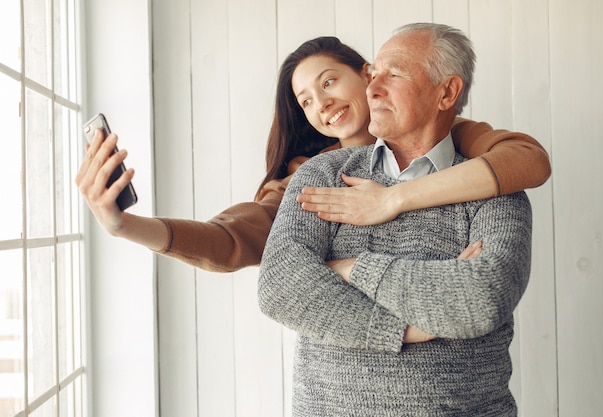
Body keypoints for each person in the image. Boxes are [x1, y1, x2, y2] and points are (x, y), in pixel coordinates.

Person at [76, 35, 548, 273]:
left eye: (328, 82)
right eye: (305, 100)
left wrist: (394, 199)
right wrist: (124, 225)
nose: (321, 103)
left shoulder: (454, 135)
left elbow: (528, 158)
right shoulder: (312, 179)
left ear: (368, 74)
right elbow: (233, 239)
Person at [258, 23, 532, 416]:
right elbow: (280, 287)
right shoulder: (322, 175)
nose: (372, 87)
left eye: (394, 74)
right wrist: (412, 328)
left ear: (447, 92)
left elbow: (480, 301)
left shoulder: (494, 189)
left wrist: (351, 269)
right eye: (374, 74)